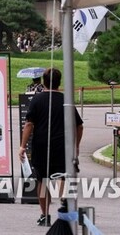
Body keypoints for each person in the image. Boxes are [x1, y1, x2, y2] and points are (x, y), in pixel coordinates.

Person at [18, 68, 83, 227]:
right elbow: (79, 126)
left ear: (43, 82)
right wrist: (76, 146)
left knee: (42, 180)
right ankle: (65, 203)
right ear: (59, 82)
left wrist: (22, 146)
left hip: (41, 146)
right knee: (64, 176)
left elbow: (29, 124)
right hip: (63, 145)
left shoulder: (37, 100)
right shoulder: (66, 100)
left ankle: (45, 215)